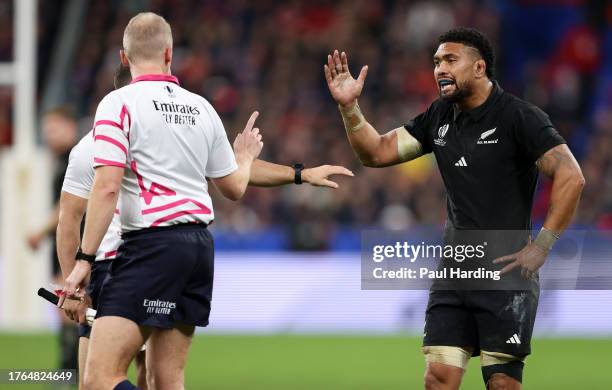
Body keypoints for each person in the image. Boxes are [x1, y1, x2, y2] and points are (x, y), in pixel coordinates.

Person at [59, 12, 351, 390]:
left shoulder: (118, 104)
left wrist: (82, 260)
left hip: (148, 249)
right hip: (197, 250)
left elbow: (107, 187)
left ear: (124, 58)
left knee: (98, 380)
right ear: (169, 53)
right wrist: (254, 161)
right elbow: (232, 187)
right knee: (167, 380)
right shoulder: (201, 108)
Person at [324, 27, 585, 390]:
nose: (439, 69)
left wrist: (542, 245)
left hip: (506, 274)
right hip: (455, 270)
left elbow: (572, 176)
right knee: (438, 378)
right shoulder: (439, 116)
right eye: (436, 62)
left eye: (450, 60)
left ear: (479, 68)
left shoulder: (519, 117)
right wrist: (349, 107)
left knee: (502, 384)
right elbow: (376, 152)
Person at [56, 64, 149, 390]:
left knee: (136, 377)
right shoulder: (89, 147)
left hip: (150, 263)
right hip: (112, 271)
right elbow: (68, 219)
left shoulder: (163, 137)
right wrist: (74, 290)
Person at [28, 105, 79, 374]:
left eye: (53, 128)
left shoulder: (74, 157)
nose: (48, 135)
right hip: (65, 242)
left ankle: (69, 371)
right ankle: (72, 369)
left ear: (69, 127)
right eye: (46, 130)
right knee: (66, 306)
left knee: (67, 305)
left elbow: (66, 206)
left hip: (73, 245)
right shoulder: (61, 160)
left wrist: (40, 230)